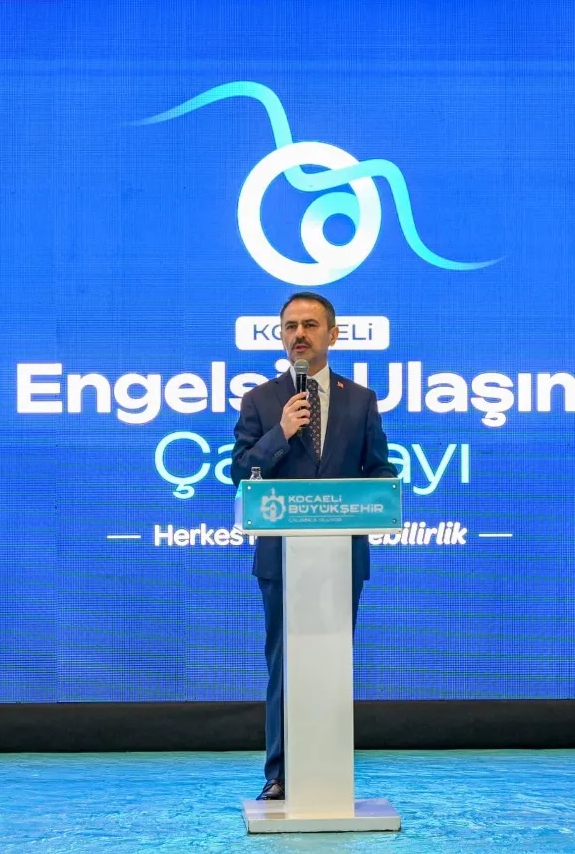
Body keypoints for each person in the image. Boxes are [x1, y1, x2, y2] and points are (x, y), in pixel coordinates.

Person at [230, 291, 397, 802]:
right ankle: (280, 774)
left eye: (309, 325)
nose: (299, 334)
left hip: (341, 558)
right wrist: (280, 433)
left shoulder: (360, 399)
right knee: (284, 666)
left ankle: (328, 770)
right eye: (290, 326)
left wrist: (384, 491)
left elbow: (378, 468)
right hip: (282, 559)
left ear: (332, 334)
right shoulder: (261, 400)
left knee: (332, 664)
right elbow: (240, 471)